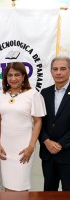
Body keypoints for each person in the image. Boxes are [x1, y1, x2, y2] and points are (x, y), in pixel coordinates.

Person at [0, 62, 46, 191]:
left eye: (17, 75)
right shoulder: (1, 95)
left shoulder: (33, 95)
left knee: (20, 187)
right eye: (10, 75)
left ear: (23, 76)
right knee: (8, 185)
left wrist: (31, 147)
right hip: (6, 148)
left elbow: (38, 122)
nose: (13, 78)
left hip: (24, 149)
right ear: (5, 78)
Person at [39, 56, 70, 191]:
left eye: (63, 69)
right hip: (48, 154)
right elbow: (39, 122)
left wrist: (60, 144)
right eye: (55, 69)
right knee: (49, 193)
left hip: (68, 153)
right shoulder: (44, 93)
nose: (58, 72)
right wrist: (46, 140)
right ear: (51, 71)